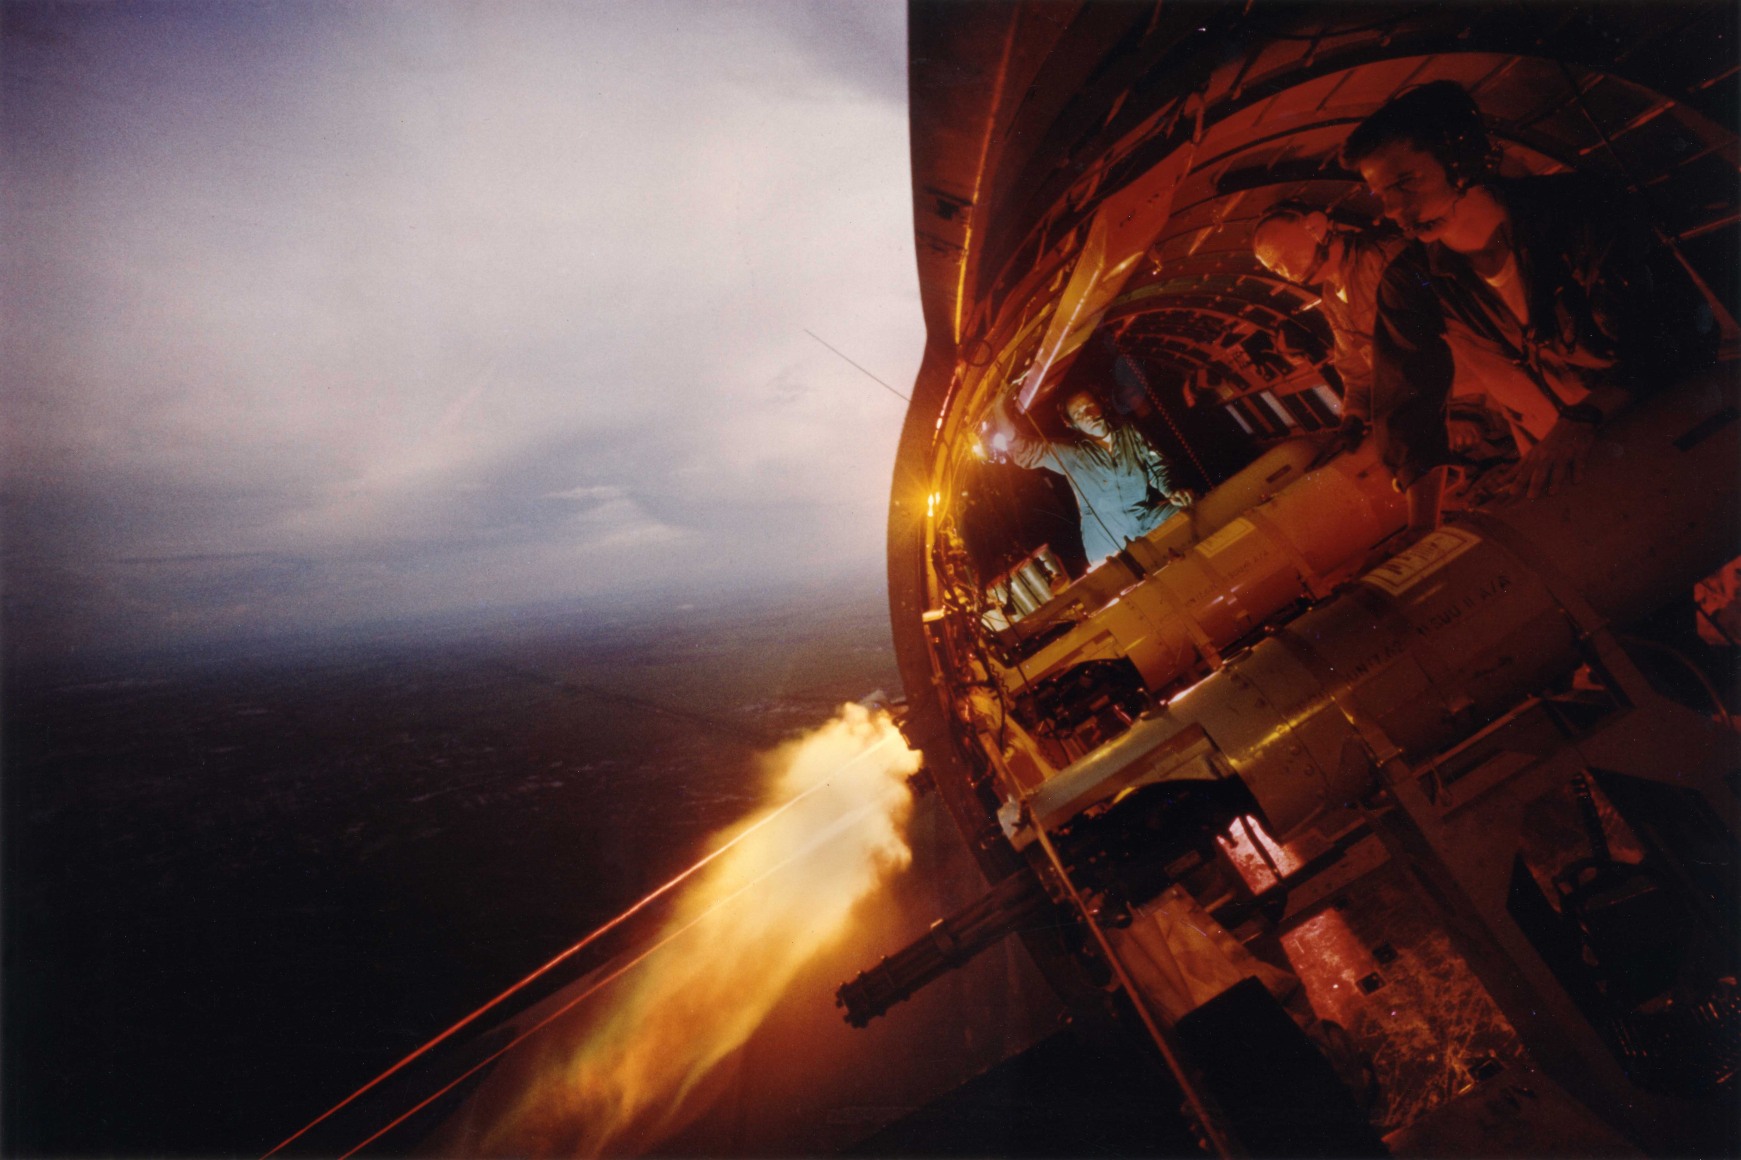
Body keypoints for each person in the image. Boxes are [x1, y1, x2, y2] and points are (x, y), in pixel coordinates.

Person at [1340, 81, 1716, 532]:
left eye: (1407, 181)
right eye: (1384, 194)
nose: (1396, 209)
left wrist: (1581, 420)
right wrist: (1422, 531)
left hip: (1676, 433)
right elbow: (1408, 408)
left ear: (1461, 161)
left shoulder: (1579, 211)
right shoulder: (1410, 282)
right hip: (1566, 470)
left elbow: (1675, 334)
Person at [1252, 200, 1510, 462]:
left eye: (1285, 256)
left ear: (1315, 228)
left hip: (1483, 406)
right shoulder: (1332, 297)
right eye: (1275, 269)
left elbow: (1452, 328)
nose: (1285, 272)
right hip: (1438, 417)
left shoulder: (1383, 260)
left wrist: (1465, 408)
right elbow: (1355, 367)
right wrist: (1353, 416)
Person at [993, 388, 1193, 566]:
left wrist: (1172, 490)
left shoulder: (1128, 432)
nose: (1088, 415)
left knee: (1190, 504)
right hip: (1106, 540)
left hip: (1144, 519)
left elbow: (1157, 467)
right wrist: (998, 408)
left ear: (1102, 405)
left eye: (1090, 406)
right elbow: (1020, 447)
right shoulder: (1072, 452)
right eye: (1079, 414)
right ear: (1072, 424)